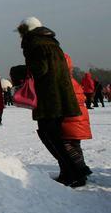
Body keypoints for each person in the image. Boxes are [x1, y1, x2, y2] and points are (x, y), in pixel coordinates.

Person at [16, 17, 84, 187]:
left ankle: (74, 173)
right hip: (60, 97)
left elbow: (41, 69)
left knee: (51, 136)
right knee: (55, 136)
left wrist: (22, 71)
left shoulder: (35, 44)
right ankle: (70, 172)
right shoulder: (51, 42)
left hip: (49, 98)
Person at [61, 53, 93, 186]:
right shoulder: (72, 81)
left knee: (67, 146)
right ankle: (75, 173)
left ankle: (78, 173)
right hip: (77, 121)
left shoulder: (64, 82)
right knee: (75, 146)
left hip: (72, 121)